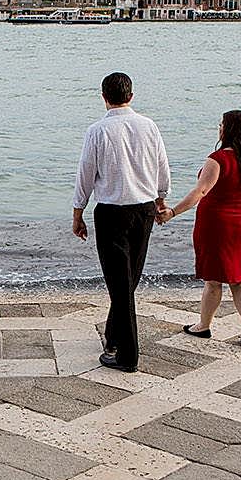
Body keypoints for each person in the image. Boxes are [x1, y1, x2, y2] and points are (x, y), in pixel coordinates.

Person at [73, 72, 171, 373]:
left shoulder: (98, 130)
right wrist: (160, 198)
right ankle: (114, 336)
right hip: (142, 210)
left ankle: (127, 355)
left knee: (120, 283)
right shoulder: (149, 126)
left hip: (112, 212)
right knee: (128, 280)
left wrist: (78, 211)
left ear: (104, 97)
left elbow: (86, 173)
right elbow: (161, 166)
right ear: (131, 96)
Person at [157, 109, 241, 346]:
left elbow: (200, 192)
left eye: (221, 124)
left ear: (227, 130)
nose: (219, 127)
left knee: (214, 280)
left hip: (218, 225)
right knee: (238, 278)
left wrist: (172, 212)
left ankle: (204, 326)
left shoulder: (217, 159)